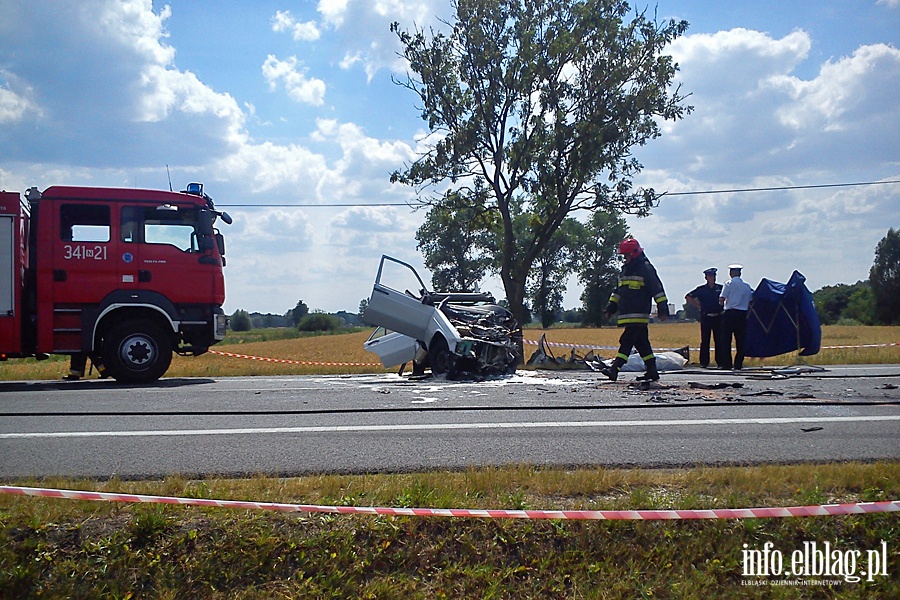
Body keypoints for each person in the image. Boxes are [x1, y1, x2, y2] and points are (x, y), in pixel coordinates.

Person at [602, 237, 670, 382]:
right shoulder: (626, 270)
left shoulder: (646, 268)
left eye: (626, 256)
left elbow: (657, 289)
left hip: (639, 313)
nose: (624, 259)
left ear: (633, 254)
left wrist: (663, 310)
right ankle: (652, 371)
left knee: (626, 340)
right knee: (641, 343)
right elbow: (618, 291)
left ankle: (615, 369)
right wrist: (610, 308)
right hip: (627, 313)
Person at [685, 268, 725, 368]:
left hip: (718, 317)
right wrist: (698, 305)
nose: (712, 278)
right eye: (710, 276)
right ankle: (704, 363)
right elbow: (688, 296)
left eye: (714, 276)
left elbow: (727, 296)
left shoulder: (721, 288)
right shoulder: (701, 289)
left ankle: (720, 362)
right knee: (705, 340)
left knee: (719, 340)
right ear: (706, 277)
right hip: (706, 317)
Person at [719, 263, 754, 370]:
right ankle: (738, 364)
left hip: (730, 314)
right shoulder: (747, 286)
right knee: (740, 341)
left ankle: (727, 364)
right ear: (740, 273)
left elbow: (722, 299)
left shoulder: (728, 284)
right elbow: (750, 301)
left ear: (731, 273)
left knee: (726, 340)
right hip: (742, 315)